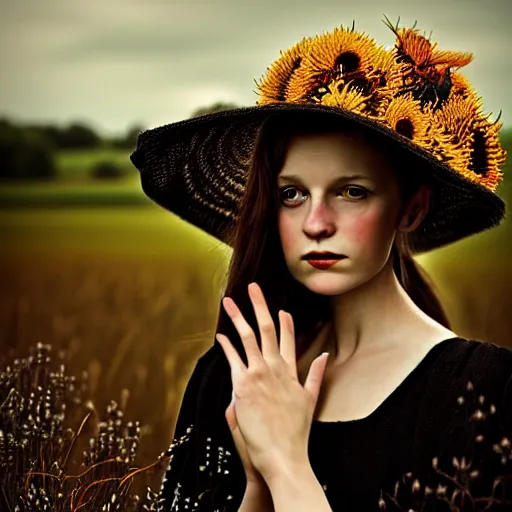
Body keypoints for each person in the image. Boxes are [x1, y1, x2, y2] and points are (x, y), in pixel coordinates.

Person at [130, 18, 512, 512]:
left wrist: (287, 464)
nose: (316, 223)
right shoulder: (230, 378)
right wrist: (257, 486)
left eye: (352, 192)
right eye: (292, 194)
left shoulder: (483, 391)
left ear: (411, 209)